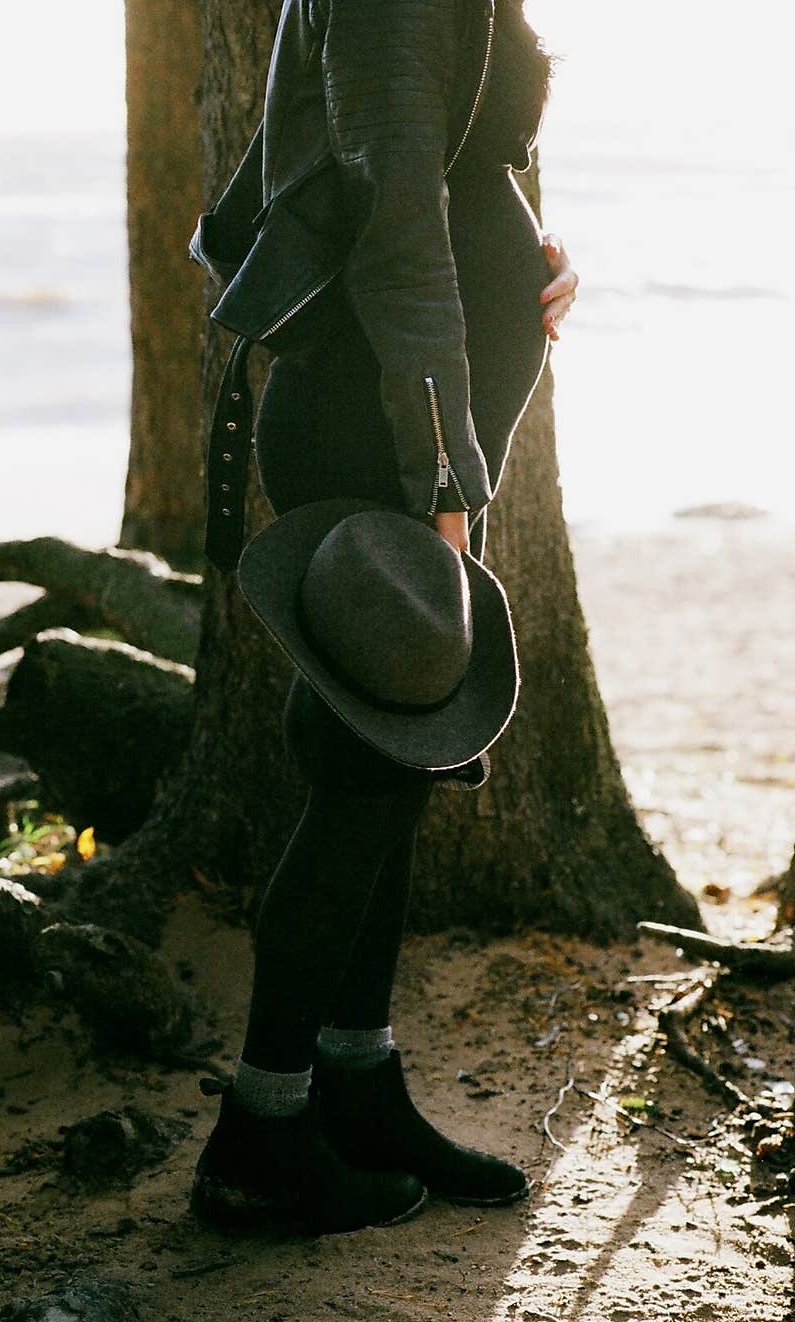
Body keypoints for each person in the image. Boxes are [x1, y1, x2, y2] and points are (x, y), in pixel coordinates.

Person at [190, 0, 578, 1235]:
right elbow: (395, 223)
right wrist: (440, 479)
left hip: (404, 413)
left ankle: (355, 1087)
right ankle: (259, 1131)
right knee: (360, 786)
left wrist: (528, 243)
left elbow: (444, 165)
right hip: (377, 425)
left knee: (384, 766)